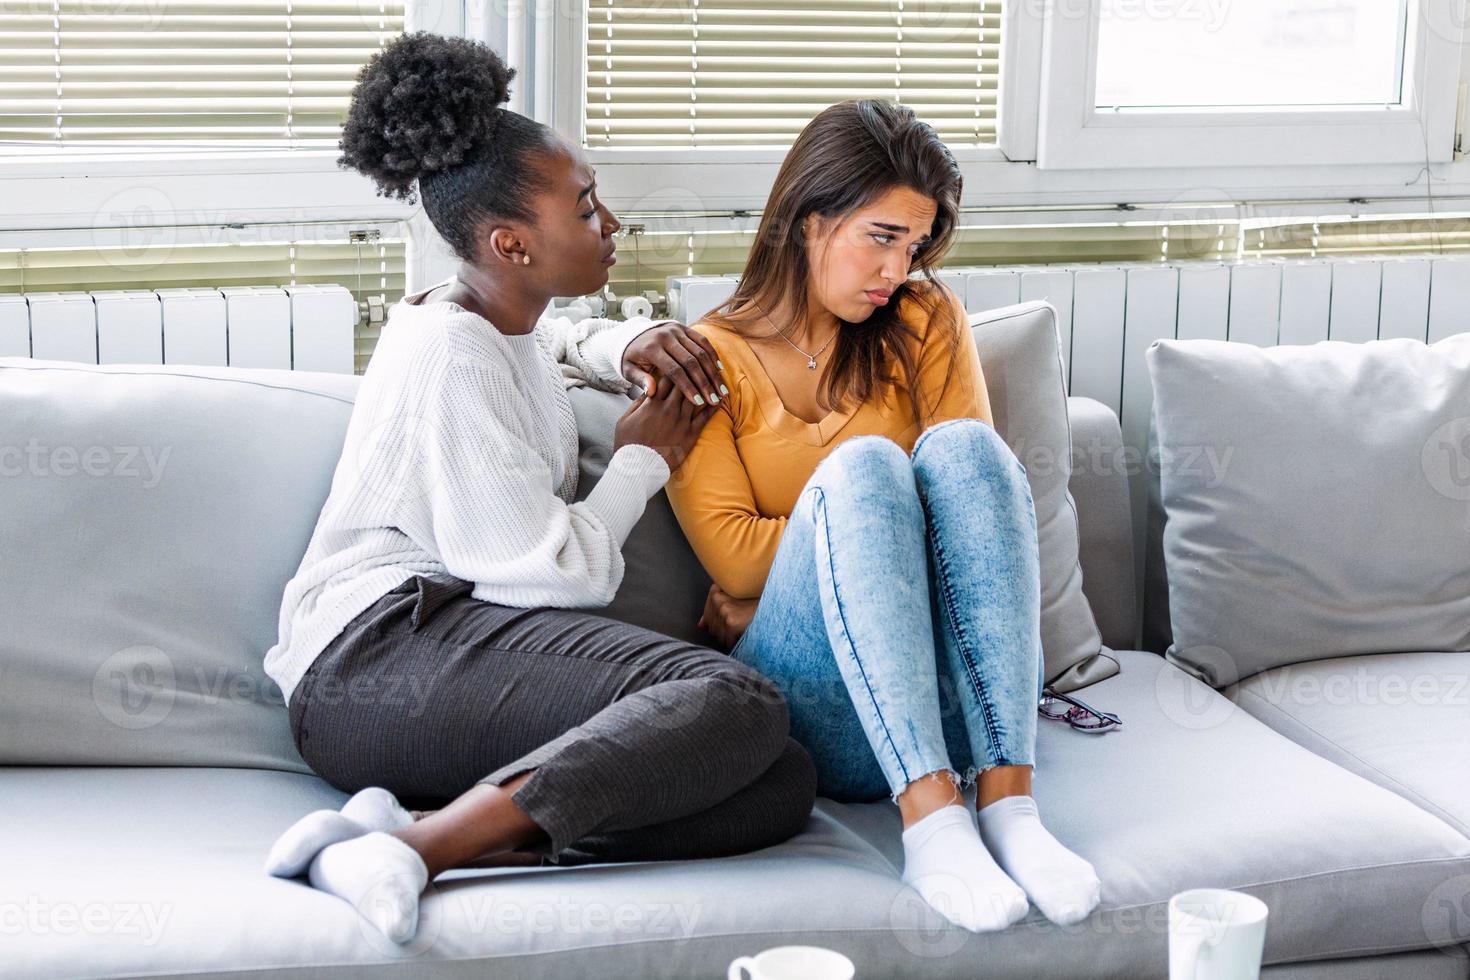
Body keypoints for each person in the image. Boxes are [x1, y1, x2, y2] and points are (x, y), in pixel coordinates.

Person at [259, 31, 816, 945]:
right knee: (737, 703)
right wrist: (644, 458)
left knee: (778, 782)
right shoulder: (449, 357)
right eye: (588, 206)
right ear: (511, 242)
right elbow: (550, 577)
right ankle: (422, 850)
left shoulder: (494, 317)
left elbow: (552, 345)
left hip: (433, 659)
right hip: (371, 665)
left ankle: (396, 838)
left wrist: (620, 345)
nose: (612, 223)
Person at [665, 99, 1101, 934]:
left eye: (915, 244)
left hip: (944, 694)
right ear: (808, 221)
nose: (897, 269)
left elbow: (974, 523)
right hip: (816, 704)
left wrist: (828, 564)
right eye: (881, 236)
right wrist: (860, 538)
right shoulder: (707, 357)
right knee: (866, 470)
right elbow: (732, 560)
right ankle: (934, 824)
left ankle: (1010, 807)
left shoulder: (925, 320)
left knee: (970, 456)